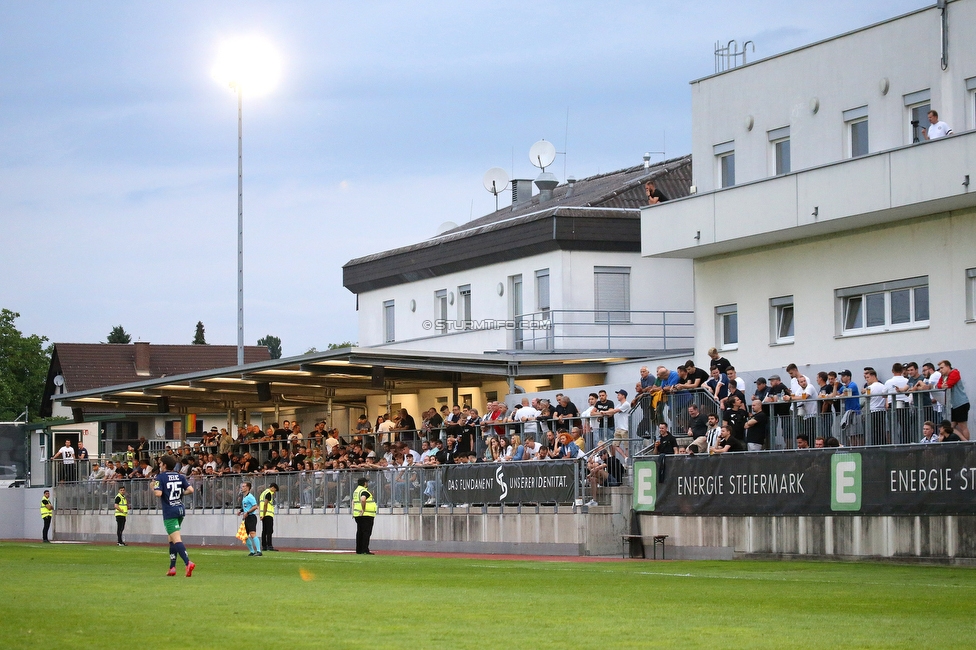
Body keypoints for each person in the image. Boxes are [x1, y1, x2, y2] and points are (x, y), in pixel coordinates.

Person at [151, 455, 195, 576]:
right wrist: (180, 494)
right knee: (171, 538)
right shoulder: (179, 475)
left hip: (170, 511)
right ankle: (172, 567)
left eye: (160, 463)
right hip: (180, 509)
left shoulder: (160, 477)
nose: (159, 465)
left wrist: (153, 487)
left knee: (176, 539)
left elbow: (158, 493)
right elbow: (191, 490)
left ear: (164, 465)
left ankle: (188, 563)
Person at [937, 360, 970, 441]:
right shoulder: (943, 376)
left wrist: (944, 386)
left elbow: (949, 384)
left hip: (960, 403)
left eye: (942, 368)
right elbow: (939, 385)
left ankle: (967, 444)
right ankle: (962, 442)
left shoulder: (954, 372)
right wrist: (942, 386)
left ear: (948, 367)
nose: (940, 370)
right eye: (939, 368)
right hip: (953, 405)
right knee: (950, 427)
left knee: (962, 426)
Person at [353, 477, 377, 555]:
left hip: (358, 514)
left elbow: (353, 501)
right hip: (366, 514)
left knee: (360, 532)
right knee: (366, 532)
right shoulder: (364, 491)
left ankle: (359, 549)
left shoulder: (356, 491)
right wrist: (363, 509)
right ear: (365, 483)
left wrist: (353, 511)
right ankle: (364, 549)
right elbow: (363, 499)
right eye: (367, 482)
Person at [240, 481, 262, 556]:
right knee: (245, 536)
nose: (242, 488)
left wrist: (248, 512)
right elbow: (246, 507)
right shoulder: (245, 497)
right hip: (246, 517)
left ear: (247, 488)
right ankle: (252, 551)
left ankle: (259, 551)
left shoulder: (250, 497)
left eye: (243, 486)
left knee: (252, 534)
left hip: (251, 517)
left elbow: (255, 506)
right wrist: (241, 511)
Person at [260, 483, 278, 552]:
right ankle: (269, 546)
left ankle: (264, 546)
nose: (274, 492)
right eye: (275, 490)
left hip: (263, 514)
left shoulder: (263, 493)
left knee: (264, 531)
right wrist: (264, 514)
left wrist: (261, 515)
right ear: (272, 488)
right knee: (269, 531)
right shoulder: (269, 493)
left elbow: (261, 504)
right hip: (268, 514)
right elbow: (265, 504)